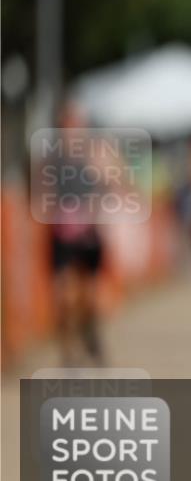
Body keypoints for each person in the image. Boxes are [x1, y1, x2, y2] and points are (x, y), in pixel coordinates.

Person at [47, 102, 107, 367]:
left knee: (90, 298)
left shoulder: (95, 156)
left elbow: (113, 183)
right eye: (66, 126)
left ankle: (91, 334)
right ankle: (69, 354)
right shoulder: (50, 160)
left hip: (88, 237)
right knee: (64, 298)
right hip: (62, 237)